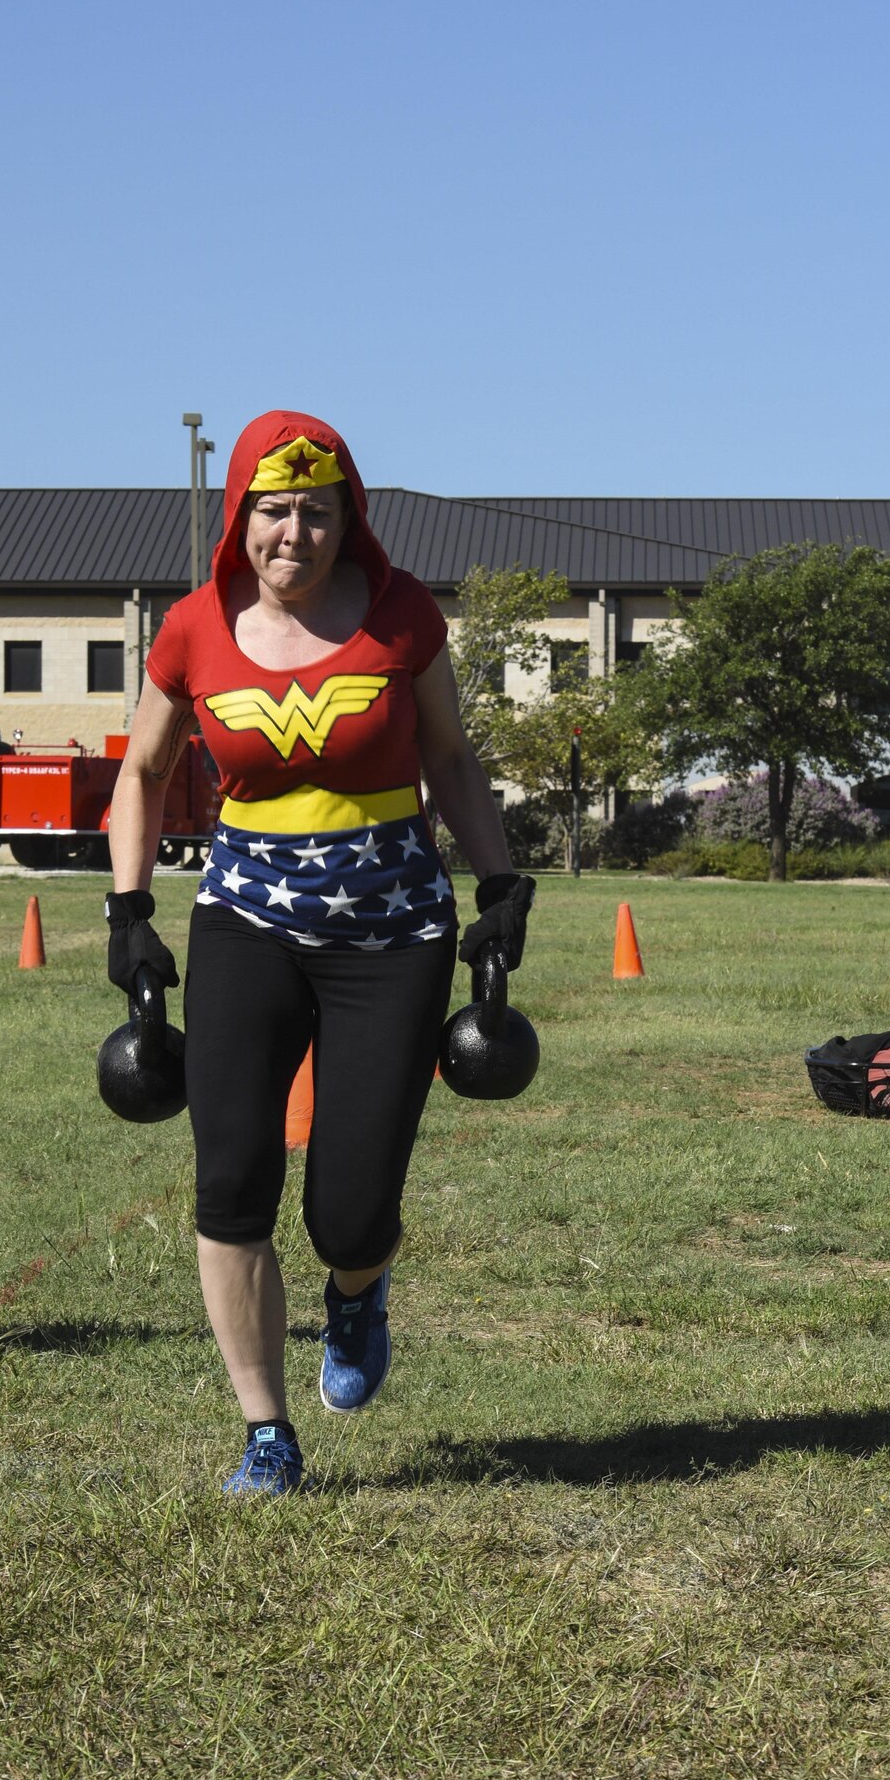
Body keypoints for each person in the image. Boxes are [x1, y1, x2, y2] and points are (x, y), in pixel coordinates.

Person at [104, 410, 534, 1493]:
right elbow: (144, 774)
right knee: (231, 1179)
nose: (291, 533)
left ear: (347, 517)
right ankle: (265, 1430)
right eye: (272, 510)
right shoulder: (193, 628)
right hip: (245, 918)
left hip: (392, 931)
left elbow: (449, 756)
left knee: (349, 1205)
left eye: (314, 510)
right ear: (238, 516)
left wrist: (498, 884)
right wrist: (128, 908)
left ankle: (356, 1290)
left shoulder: (399, 616)